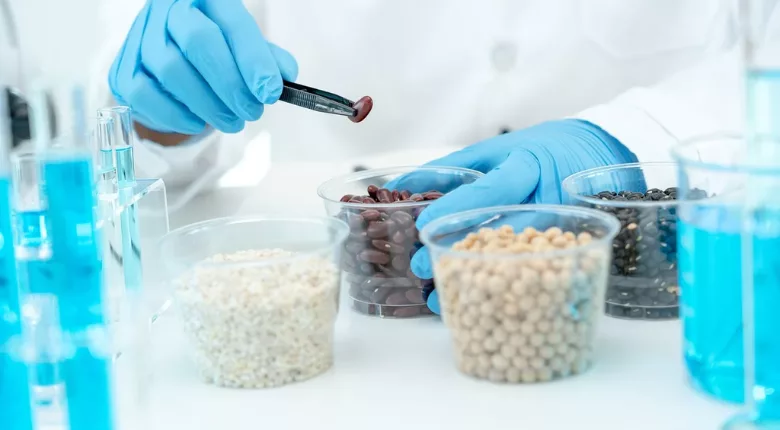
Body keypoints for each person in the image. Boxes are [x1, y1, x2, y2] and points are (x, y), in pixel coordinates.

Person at [0, 0, 756, 312]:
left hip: (657, 288)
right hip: (348, 312)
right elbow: (135, 75)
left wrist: (625, 145)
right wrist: (163, 110)